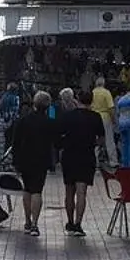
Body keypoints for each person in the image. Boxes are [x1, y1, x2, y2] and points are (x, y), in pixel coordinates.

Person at [5, 91, 58, 236]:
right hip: (41, 160)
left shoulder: (23, 121)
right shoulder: (49, 123)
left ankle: (27, 221)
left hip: (25, 159)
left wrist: (15, 162)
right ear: (47, 106)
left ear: (34, 104)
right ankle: (35, 224)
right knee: (37, 191)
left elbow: (15, 143)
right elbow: (56, 143)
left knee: (27, 190)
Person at [54, 89, 106, 236]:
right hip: (86, 155)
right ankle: (78, 224)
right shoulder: (96, 117)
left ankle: (69, 222)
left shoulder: (68, 116)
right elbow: (102, 139)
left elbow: (58, 135)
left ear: (77, 99)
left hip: (69, 155)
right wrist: (93, 143)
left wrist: (64, 144)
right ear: (92, 101)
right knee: (81, 191)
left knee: (69, 191)